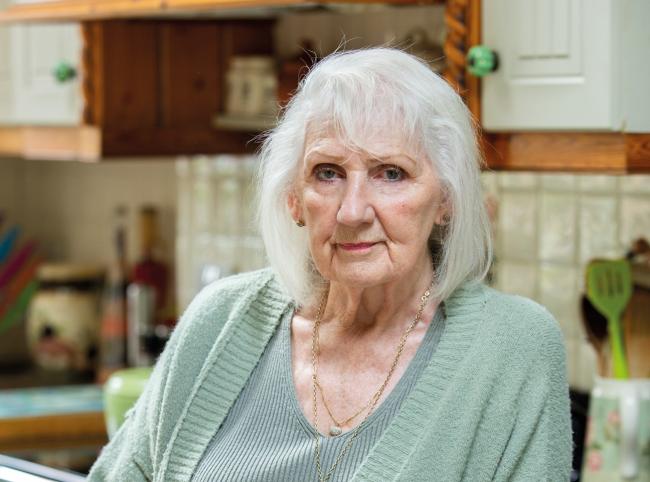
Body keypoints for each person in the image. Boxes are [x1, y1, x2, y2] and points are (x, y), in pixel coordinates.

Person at [88, 48, 572, 482]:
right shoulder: (220, 319)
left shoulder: (514, 347)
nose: (353, 211)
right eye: (328, 173)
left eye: (391, 174)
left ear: (445, 200)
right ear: (295, 199)